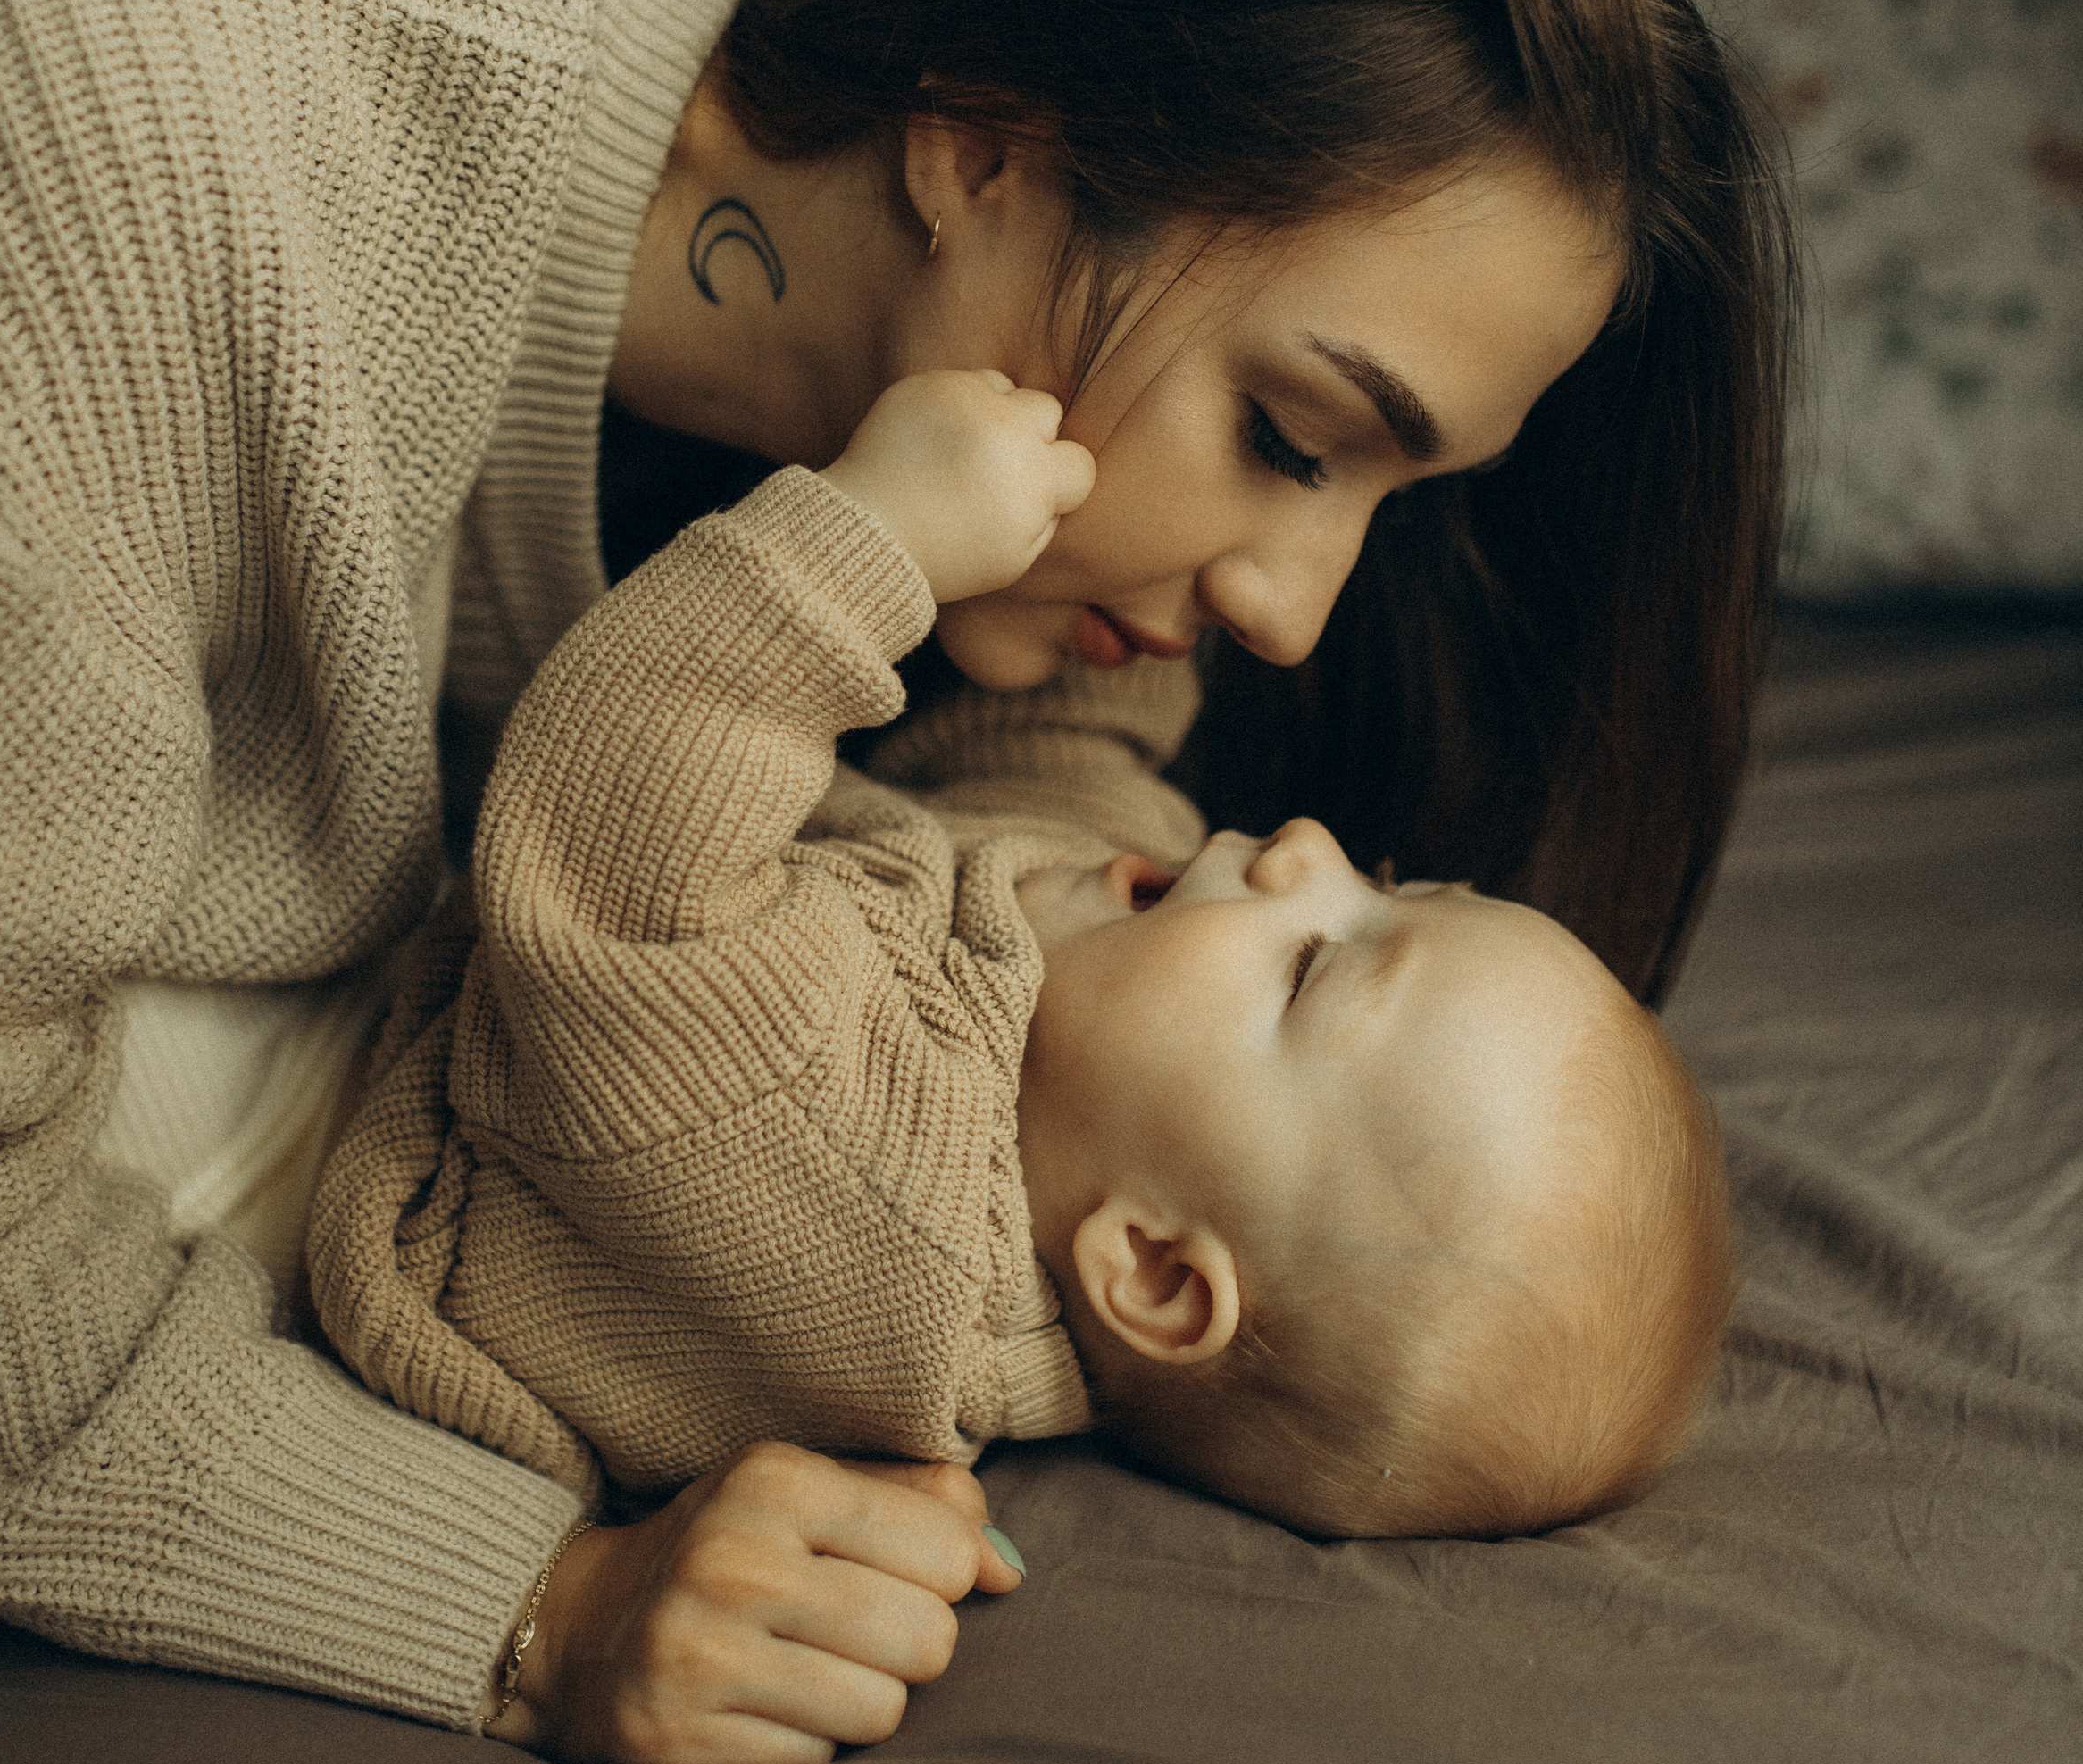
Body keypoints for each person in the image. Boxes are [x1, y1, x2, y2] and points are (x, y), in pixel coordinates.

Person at [0, 0, 1791, 1764]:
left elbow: (979, 836)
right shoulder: (101, 155)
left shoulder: (934, 497)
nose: (1296, 617)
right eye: (1288, 437)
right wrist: (526, 1601)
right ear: (980, 145)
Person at [308, 366, 1731, 1668]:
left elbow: (610, 840)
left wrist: (873, 543)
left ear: (1156, 1274)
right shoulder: (1105, 1002)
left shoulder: (857, 1180)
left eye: (1316, 966)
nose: (1305, 850)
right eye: (1392, 883)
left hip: (321, 1136)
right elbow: (1052, 763)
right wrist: (1132, 536)